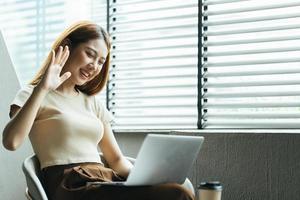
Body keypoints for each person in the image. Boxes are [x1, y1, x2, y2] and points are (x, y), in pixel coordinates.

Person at [2, 21, 194, 200]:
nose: (94, 66)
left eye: (101, 61)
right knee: (177, 194)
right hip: (71, 184)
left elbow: (116, 159)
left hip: (103, 178)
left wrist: (147, 178)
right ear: (67, 47)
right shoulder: (33, 93)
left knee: (178, 188)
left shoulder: (92, 102)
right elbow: (11, 142)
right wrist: (43, 88)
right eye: (90, 54)